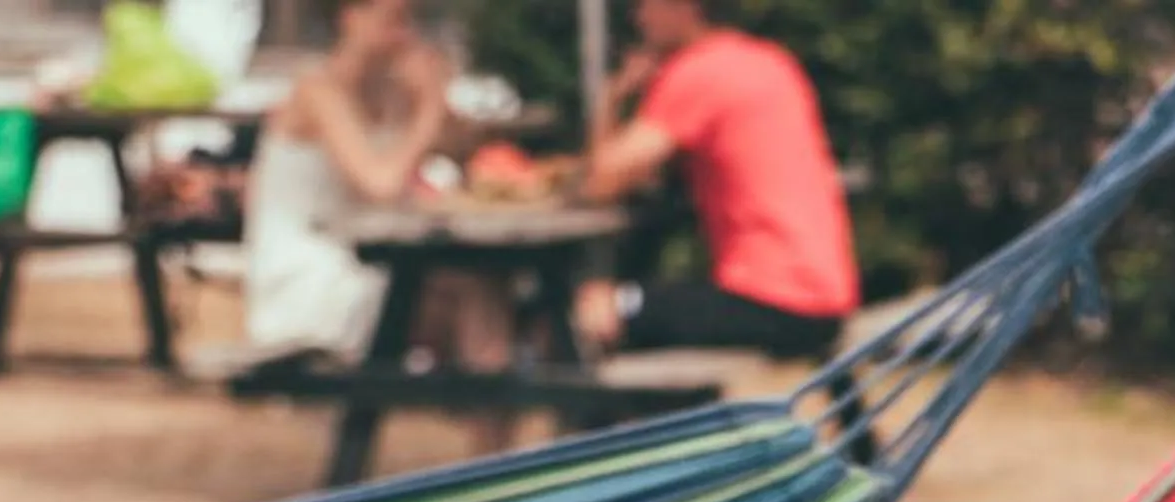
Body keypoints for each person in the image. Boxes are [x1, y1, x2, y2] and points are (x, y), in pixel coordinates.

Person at [241, 0, 513, 420]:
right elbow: (381, 184)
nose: (406, 36)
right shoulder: (318, 90)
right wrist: (426, 110)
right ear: (351, 18)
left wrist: (437, 96)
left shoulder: (389, 92)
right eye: (395, 21)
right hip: (309, 280)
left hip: (366, 267)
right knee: (471, 297)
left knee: (486, 288)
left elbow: (464, 154)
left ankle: (492, 436)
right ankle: (493, 444)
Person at [570, 0, 861, 361]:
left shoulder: (698, 73)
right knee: (655, 302)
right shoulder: (769, 61)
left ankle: (583, 415)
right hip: (826, 294)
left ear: (686, 8)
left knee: (598, 306)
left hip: (772, 301)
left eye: (647, 5)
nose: (638, 17)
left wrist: (611, 98)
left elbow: (599, 183)